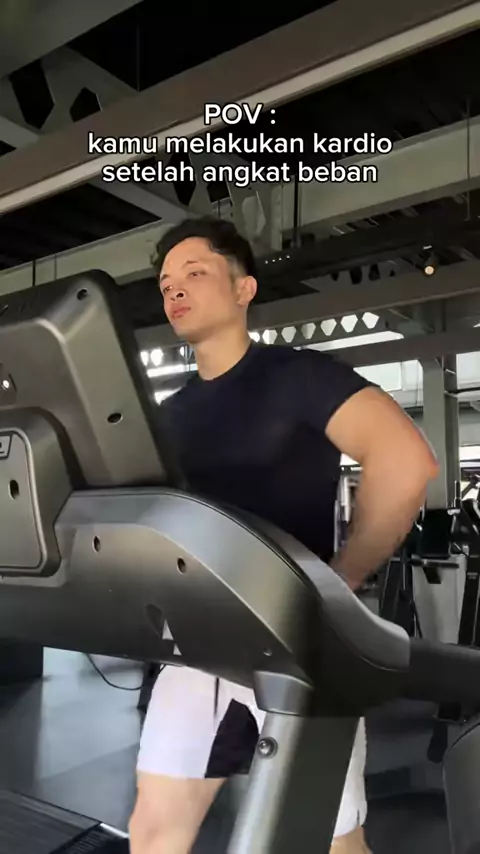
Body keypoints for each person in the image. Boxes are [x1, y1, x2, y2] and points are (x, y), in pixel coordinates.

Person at [129, 217, 438, 854]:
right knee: (154, 831)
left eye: (195, 273)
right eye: (165, 284)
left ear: (244, 289)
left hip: (296, 644)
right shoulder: (168, 416)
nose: (175, 289)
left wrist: (342, 578)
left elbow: (405, 460)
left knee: (333, 841)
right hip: (196, 648)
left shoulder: (297, 377)